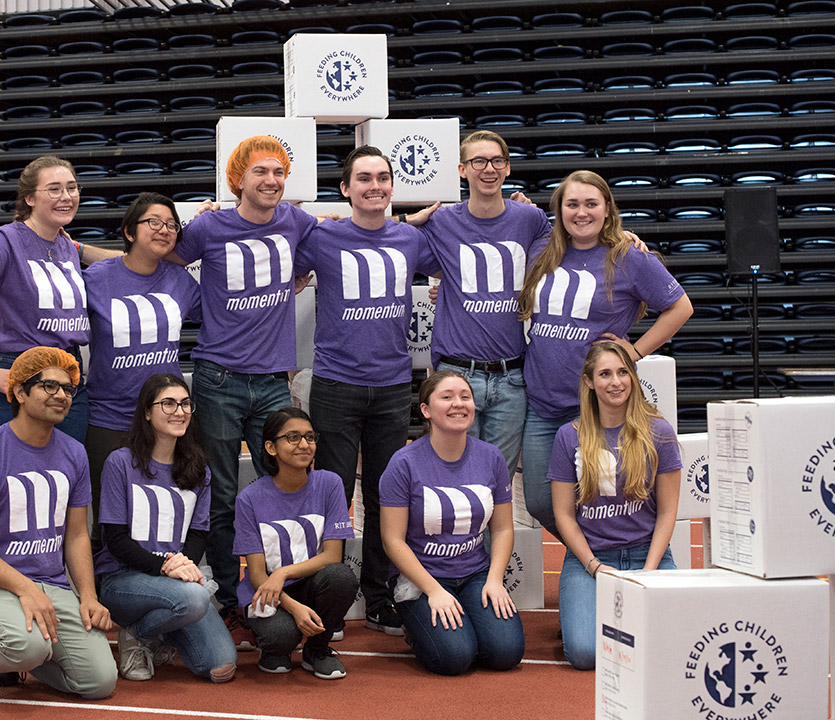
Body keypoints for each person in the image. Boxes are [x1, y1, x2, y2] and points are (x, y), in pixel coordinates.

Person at [171, 136, 318, 648]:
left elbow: (346, 241)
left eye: (279, 172)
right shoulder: (209, 226)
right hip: (218, 378)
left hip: (275, 380)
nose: (271, 181)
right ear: (238, 179)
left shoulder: (296, 221)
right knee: (224, 494)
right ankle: (232, 602)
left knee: (288, 483)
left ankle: (295, 587)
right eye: (260, 171)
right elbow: (157, 252)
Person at [295, 145, 432, 636]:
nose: (375, 185)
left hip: (394, 386)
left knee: (384, 497)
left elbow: (457, 256)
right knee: (330, 495)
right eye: (364, 178)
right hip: (335, 384)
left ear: (393, 186)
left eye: (383, 177)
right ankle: (322, 600)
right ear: (345, 189)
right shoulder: (322, 235)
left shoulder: (411, 239)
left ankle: (378, 596)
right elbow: (280, 265)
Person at [517, 170, 692, 537]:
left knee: (606, 495)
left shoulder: (629, 257)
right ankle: (593, 553)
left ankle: (607, 558)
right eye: (572, 204)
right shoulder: (542, 249)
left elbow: (680, 307)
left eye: (591, 204)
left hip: (599, 405)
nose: (582, 212)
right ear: (559, 211)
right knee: (539, 500)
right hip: (543, 404)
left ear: (608, 210)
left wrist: (634, 351)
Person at [0, 346, 116, 702]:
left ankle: (15, 655)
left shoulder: (74, 452)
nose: (62, 396)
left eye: (68, 389)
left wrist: (88, 596)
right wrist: (26, 589)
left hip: (51, 584)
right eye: (49, 387)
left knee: (100, 681)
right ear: (19, 392)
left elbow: (78, 535)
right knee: (27, 646)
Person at [413, 130, 552, 482]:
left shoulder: (530, 220)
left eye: (496, 161)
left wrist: (623, 236)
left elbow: (578, 241)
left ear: (507, 168)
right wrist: (406, 222)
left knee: (496, 485)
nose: (487, 169)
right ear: (462, 169)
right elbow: (390, 243)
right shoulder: (442, 222)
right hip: (457, 375)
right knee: (455, 482)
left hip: (512, 379)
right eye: (478, 161)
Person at [380, 370, 525, 677]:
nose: (458, 404)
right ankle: (417, 626)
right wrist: (433, 590)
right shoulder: (403, 463)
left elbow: (502, 528)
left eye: (465, 396)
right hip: (421, 578)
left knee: (506, 653)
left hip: (474, 574)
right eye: (446, 397)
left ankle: (460, 622)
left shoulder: (491, 457)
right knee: (454, 658)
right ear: (426, 410)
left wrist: (495, 580)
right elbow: (393, 541)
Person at [94, 373, 236, 683]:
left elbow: (198, 533)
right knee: (194, 599)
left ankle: (149, 633)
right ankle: (137, 633)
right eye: (168, 403)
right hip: (123, 578)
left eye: (185, 403)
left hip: (174, 579)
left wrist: (182, 564)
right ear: (147, 411)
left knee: (221, 666)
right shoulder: (121, 462)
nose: (180, 411)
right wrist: (166, 566)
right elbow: (115, 539)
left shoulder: (199, 468)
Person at [549, 342, 681, 670]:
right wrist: (593, 566)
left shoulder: (659, 432)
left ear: (633, 378)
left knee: (674, 644)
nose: (615, 381)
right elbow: (564, 515)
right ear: (589, 381)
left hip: (647, 554)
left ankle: (614, 619)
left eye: (623, 372)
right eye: (605, 374)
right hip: (591, 562)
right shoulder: (569, 436)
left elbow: (667, 512)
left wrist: (648, 573)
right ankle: (595, 613)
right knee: (584, 654)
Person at [0, 156, 96, 441]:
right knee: (17, 480)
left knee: (65, 478)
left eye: (72, 188)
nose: (66, 197)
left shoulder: (64, 244)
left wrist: (78, 247)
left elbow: (129, 263)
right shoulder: (4, 241)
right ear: (29, 198)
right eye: (54, 189)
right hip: (19, 375)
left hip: (70, 379)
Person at [83, 193, 201, 536]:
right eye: (153, 222)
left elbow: (225, 312)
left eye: (171, 224)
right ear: (129, 232)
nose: (164, 230)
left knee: (158, 520)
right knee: (107, 522)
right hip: (108, 418)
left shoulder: (180, 281)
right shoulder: (97, 278)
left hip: (165, 420)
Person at [233, 408, 358, 679]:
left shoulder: (329, 484)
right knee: (281, 635)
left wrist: (283, 572)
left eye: (310, 437)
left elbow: (332, 556)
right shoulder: (250, 498)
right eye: (292, 437)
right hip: (267, 592)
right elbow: (256, 575)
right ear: (270, 447)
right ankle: (275, 648)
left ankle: (317, 650)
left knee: (341, 577)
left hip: (310, 584)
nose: (304, 444)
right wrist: (292, 606)